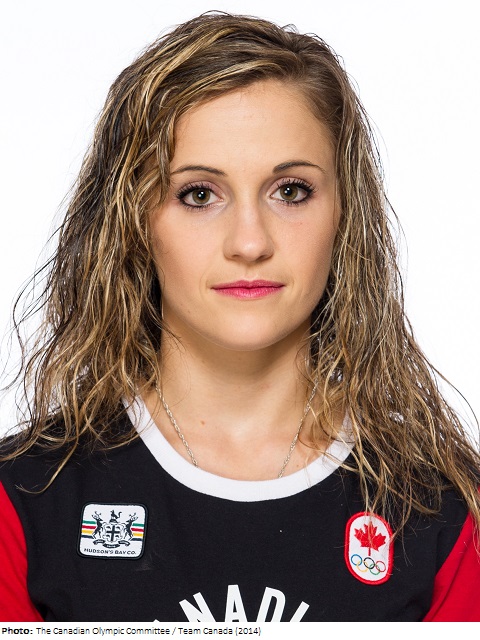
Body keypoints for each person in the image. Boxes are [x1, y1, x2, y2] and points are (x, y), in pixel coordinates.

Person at [1, 11, 479, 623]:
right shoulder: (24, 503)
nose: (250, 242)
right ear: (133, 221)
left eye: (291, 191)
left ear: (345, 215)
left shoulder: (447, 515)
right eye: (198, 194)